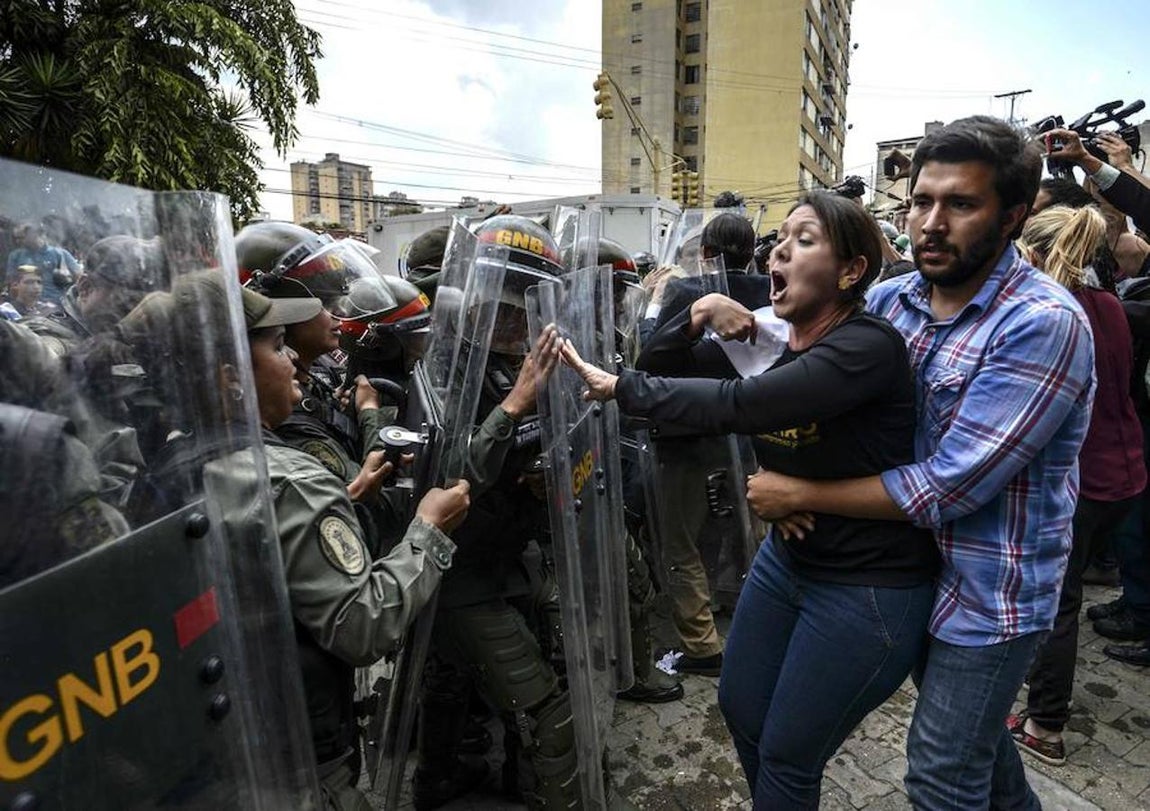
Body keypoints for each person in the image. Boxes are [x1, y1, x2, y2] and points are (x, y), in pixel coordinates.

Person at [738, 116, 1095, 809]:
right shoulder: (890, 298)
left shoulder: (1042, 323)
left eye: (960, 204)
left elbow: (947, 484)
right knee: (979, 751)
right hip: (902, 566)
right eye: (921, 201)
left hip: (985, 591)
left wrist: (799, 490)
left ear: (1013, 216)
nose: (931, 223)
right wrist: (729, 313)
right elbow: (810, 340)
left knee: (940, 772)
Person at [560, 191, 938, 807]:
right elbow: (662, 360)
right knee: (740, 708)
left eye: (805, 239)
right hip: (788, 563)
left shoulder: (866, 347)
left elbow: (743, 406)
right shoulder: (774, 339)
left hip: (867, 585)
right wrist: (696, 310)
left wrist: (618, 387)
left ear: (851, 272)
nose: (780, 250)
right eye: (779, 239)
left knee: (789, 753)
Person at [136, 272, 472, 810]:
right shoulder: (289, 481)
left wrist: (351, 497)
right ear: (231, 379)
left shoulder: (161, 467)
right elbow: (364, 625)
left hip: (220, 738)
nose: (292, 357)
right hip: (302, 758)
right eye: (275, 346)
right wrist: (429, 530)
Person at [1006, 205, 1146, 765]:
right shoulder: (1111, 305)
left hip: (1084, 479)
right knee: (1067, 596)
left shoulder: (1050, 315)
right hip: (1127, 469)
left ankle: (1044, 725)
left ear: (1031, 254)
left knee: (1056, 604)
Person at [644, 210, 771, 677]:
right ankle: (747, 616)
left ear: (707, 254)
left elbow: (648, 359)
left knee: (681, 543)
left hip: (688, 434)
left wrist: (655, 303)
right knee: (746, 531)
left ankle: (702, 647)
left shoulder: (688, 292)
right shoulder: (767, 294)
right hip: (750, 435)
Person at [5, 221, 79, 305]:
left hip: (57, 307)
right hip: (27, 307)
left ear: (36, 234)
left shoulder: (59, 254)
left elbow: (78, 278)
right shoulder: (16, 256)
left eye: (23, 237)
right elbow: (11, 283)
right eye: (17, 238)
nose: (19, 241)